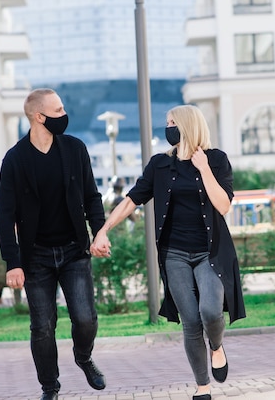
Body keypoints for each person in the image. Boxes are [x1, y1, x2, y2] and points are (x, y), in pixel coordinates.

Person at [91, 104, 246, 400]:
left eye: (171, 122)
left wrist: (203, 169)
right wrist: (103, 229)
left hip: (209, 253)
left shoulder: (216, 160)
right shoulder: (160, 165)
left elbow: (224, 206)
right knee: (190, 321)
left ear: (187, 124)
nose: (168, 128)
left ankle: (216, 345)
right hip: (174, 254)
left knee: (211, 312)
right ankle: (202, 388)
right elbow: (131, 200)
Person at [0, 88, 111, 400]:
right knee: (42, 327)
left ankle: (83, 357)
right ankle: (50, 387)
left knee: (86, 319)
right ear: (38, 116)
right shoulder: (15, 160)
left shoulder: (75, 149)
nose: (64, 115)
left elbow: (92, 197)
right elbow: (4, 217)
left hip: (75, 251)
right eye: (58, 110)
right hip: (35, 258)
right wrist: (13, 263)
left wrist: (99, 233)